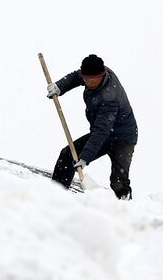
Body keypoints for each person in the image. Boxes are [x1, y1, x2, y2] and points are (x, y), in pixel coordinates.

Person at [46, 54, 138, 199]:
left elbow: (100, 132)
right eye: (86, 78)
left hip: (123, 139)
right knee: (67, 155)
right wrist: (59, 86)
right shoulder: (91, 73)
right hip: (103, 133)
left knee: (118, 183)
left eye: (92, 79)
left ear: (102, 74)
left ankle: (125, 208)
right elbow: (76, 77)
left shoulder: (110, 96)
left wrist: (84, 158)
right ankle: (56, 197)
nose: (88, 82)